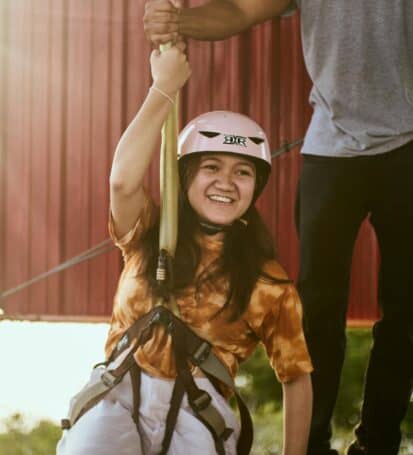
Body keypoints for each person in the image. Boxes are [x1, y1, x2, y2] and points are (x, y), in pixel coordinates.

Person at [143, 1, 413, 455]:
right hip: (333, 149)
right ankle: (310, 446)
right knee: (318, 307)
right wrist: (179, 21)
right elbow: (241, 11)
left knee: (407, 310)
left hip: (409, 145)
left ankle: (378, 444)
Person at [57, 43, 313, 454]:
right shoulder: (150, 234)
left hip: (199, 413)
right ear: (186, 176)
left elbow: (296, 374)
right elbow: (122, 181)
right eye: (211, 166)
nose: (226, 182)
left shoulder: (269, 282)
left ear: (255, 187)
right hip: (119, 394)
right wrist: (163, 87)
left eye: (242, 172)